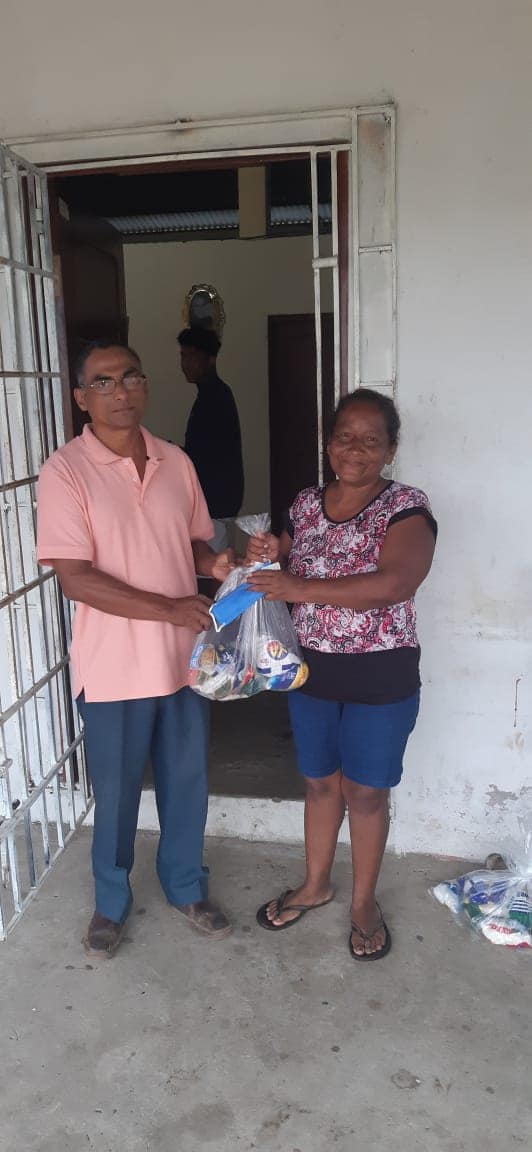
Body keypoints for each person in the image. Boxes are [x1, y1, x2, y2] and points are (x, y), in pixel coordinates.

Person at [37, 339, 234, 957]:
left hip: (183, 660)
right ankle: (110, 902)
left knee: (187, 782)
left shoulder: (176, 461)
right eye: (102, 382)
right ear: (81, 398)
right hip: (113, 666)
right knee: (117, 794)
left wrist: (215, 564)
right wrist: (169, 608)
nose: (119, 391)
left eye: (130, 377)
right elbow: (75, 578)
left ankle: (186, 887)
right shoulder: (65, 472)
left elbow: (192, 543)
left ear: (145, 385)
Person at [246, 388, 437, 961]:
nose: (355, 449)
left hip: (381, 678)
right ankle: (315, 884)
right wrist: (265, 552)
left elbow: (395, 583)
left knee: (367, 793)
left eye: (371, 440)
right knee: (319, 783)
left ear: (391, 449)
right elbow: (281, 560)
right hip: (310, 673)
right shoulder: (306, 504)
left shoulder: (406, 506)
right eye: (344, 437)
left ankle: (362, 902)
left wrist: (297, 586)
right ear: (328, 443)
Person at [178, 326, 244, 550]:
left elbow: (209, 455)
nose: (186, 364)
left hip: (215, 503)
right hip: (212, 502)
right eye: (183, 356)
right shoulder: (208, 395)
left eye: (192, 357)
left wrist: (174, 454)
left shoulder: (216, 397)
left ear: (211, 359)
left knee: (215, 564)